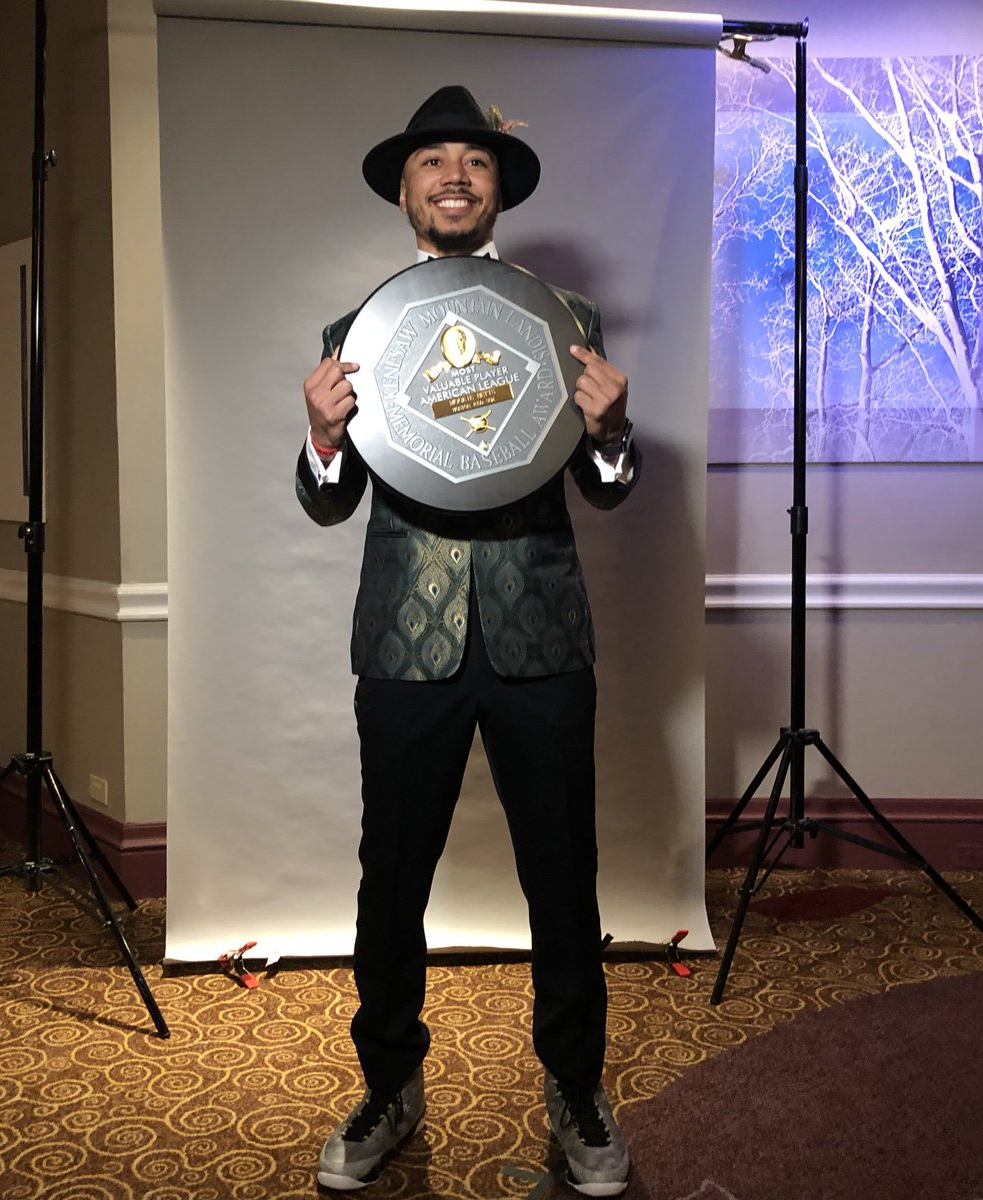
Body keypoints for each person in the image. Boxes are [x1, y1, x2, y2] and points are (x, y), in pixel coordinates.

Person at [296, 85, 640, 1196]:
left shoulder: (565, 319)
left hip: (543, 639)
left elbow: (607, 485)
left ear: (498, 191)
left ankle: (576, 1089)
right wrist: (321, 441)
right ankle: (388, 1085)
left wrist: (613, 432)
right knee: (391, 879)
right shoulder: (359, 334)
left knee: (564, 877)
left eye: (476, 161)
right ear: (405, 191)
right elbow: (330, 504)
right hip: (407, 646)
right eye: (433, 161)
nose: (454, 174)